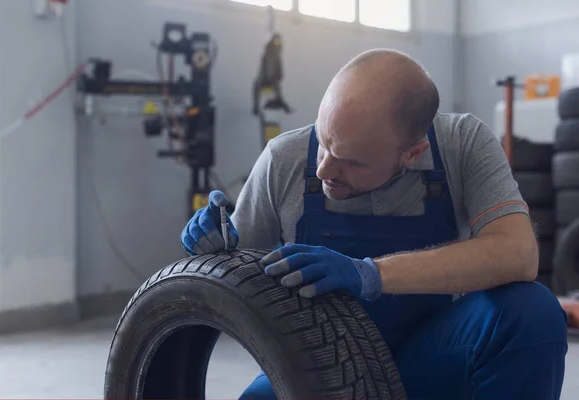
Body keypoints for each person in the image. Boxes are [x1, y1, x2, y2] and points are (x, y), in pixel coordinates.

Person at [180, 49, 569, 399]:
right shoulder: (284, 158)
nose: (324, 167)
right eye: (325, 140)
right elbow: (231, 274)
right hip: (318, 364)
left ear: (412, 154)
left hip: (432, 356)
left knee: (531, 311)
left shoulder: (461, 144)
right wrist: (214, 245)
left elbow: (517, 254)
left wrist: (368, 274)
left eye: (351, 160)